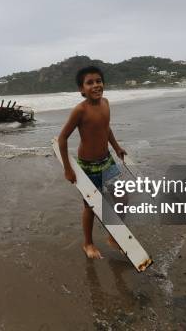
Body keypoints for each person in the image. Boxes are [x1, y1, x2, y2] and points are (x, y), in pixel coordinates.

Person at [57, 66, 127, 259]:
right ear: (81, 89)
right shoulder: (80, 110)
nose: (95, 85)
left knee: (122, 199)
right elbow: (62, 139)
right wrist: (68, 169)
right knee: (91, 207)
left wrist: (117, 147)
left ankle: (113, 237)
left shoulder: (106, 103)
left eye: (98, 81)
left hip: (107, 161)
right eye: (90, 83)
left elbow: (106, 128)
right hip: (88, 167)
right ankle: (87, 243)